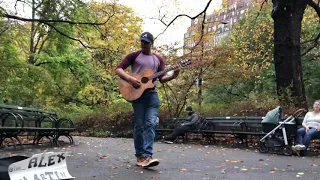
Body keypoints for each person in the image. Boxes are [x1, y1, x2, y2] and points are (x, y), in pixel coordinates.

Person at [115, 32, 179, 168]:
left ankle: (148, 156)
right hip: (137, 95)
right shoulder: (134, 55)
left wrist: (174, 75)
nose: (143, 44)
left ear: (151, 44)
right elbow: (119, 69)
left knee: (151, 123)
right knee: (139, 126)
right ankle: (139, 156)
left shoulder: (158, 60)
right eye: (142, 41)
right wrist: (130, 79)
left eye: (146, 42)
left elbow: (162, 79)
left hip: (152, 95)